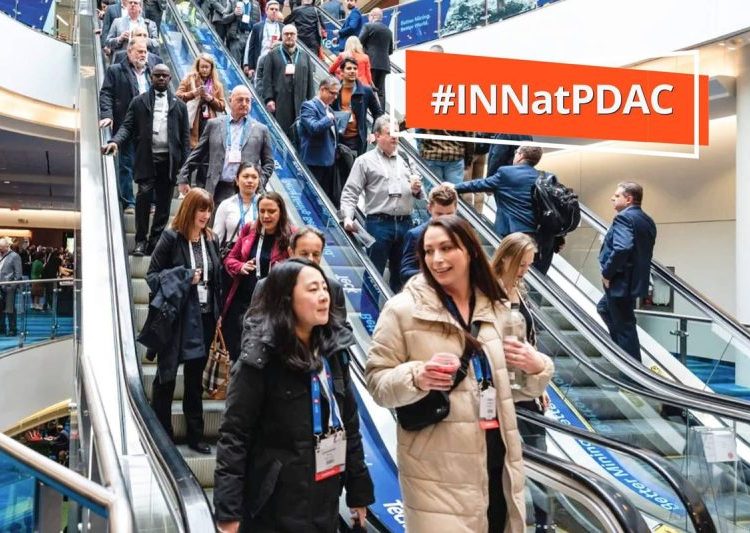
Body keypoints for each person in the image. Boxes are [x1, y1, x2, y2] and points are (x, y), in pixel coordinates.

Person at [365, 216, 553, 532]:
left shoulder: (496, 307)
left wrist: (537, 368)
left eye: (446, 248)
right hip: (437, 474)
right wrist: (417, 377)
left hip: (498, 465)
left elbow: (511, 386)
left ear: (470, 250)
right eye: (428, 251)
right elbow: (377, 382)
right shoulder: (402, 310)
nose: (436, 259)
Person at [213, 259, 374, 532]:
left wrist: (358, 490)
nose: (324, 296)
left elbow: (349, 422)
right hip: (272, 505)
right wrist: (228, 511)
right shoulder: (259, 359)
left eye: (324, 288)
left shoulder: (333, 353)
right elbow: (234, 436)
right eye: (312, 289)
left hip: (324, 497)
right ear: (287, 298)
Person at [147, 188, 223, 455]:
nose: (206, 215)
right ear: (190, 209)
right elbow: (152, 276)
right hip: (176, 317)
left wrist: (218, 314)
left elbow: (216, 280)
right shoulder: (171, 237)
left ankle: (195, 435)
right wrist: (185, 276)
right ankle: (161, 433)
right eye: (201, 209)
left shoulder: (211, 239)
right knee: (166, 376)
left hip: (204, 318)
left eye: (209, 209)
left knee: (194, 379)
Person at [490, 232, 553, 532]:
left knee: (541, 459)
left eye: (528, 264)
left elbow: (529, 341)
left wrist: (540, 381)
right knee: (504, 464)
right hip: (500, 393)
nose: (525, 270)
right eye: (521, 264)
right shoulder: (487, 294)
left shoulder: (520, 289)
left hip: (527, 390)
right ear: (505, 258)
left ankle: (544, 524)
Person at [103, 64, 191, 256]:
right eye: (157, 75)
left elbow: (185, 139)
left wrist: (185, 170)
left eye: (165, 76)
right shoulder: (139, 102)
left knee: (164, 205)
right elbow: (127, 126)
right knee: (143, 199)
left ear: (170, 79)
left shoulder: (179, 105)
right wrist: (115, 141)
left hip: (169, 162)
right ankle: (140, 240)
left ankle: (155, 241)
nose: (161, 78)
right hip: (146, 159)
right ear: (151, 77)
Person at [340, 115, 422, 293]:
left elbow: (419, 194)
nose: (395, 137)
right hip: (378, 224)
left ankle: (398, 310)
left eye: (397, 133)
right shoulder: (364, 161)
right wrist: (347, 217)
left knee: (402, 277)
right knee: (373, 275)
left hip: (405, 223)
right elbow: (350, 192)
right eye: (390, 133)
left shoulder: (406, 159)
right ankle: (368, 311)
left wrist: (417, 190)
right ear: (377, 136)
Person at [452, 145, 556, 274]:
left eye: (516, 152)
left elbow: (480, 184)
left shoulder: (506, 172)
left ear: (520, 156)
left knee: (508, 271)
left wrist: (455, 187)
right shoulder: (545, 178)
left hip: (513, 236)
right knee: (533, 275)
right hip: (542, 238)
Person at [223, 191, 294, 361]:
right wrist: (241, 266)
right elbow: (229, 259)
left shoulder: (292, 235)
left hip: (271, 305)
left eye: (271, 211)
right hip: (242, 301)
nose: (266, 216)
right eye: (262, 211)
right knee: (235, 352)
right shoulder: (250, 229)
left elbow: (299, 270)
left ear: (281, 212)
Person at [177, 85, 274, 205]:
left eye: (247, 100)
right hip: (217, 189)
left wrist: (259, 182)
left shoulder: (261, 130)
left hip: (247, 192)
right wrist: (183, 177)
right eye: (240, 100)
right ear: (230, 100)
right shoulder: (214, 125)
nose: (244, 104)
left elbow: (269, 163)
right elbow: (197, 155)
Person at [597, 182, 656, 362]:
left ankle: (630, 368)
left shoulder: (623, 218)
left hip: (620, 282)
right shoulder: (647, 220)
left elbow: (622, 248)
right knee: (604, 308)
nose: (612, 198)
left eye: (617, 196)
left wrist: (607, 273)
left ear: (629, 199)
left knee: (625, 327)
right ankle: (619, 353)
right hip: (634, 281)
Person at [249, 227, 349, 326]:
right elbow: (252, 325)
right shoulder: (266, 286)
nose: (310, 259)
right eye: (304, 254)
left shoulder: (334, 289)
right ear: (291, 252)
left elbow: (342, 328)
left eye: (315, 254)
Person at [99, 37, 151, 212]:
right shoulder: (115, 70)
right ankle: (129, 202)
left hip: (148, 127)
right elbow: (106, 94)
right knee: (126, 164)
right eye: (139, 51)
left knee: (148, 166)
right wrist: (107, 115)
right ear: (129, 52)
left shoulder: (152, 72)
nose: (143, 55)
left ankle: (149, 202)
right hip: (126, 124)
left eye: (145, 52)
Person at [261, 24, 316, 138]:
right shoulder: (272, 55)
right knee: (282, 135)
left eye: (292, 34)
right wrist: (269, 99)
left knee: (300, 135)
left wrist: (312, 101)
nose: (289, 36)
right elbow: (266, 79)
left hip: (301, 103)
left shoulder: (304, 56)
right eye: (286, 34)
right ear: (282, 36)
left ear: (296, 36)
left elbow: (310, 80)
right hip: (280, 103)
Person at [399, 183, 457, 284]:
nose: (444, 219)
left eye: (449, 214)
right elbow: (405, 273)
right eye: (439, 214)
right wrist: (435, 274)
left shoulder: (462, 234)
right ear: (429, 209)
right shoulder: (415, 235)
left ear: (456, 209)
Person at [299, 76, 340, 204]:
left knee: (324, 199)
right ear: (322, 89)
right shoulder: (308, 106)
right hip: (315, 162)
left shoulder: (329, 109)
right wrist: (328, 119)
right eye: (332, 93)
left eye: (337, 94)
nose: (335, 97)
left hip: (329, 161)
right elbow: (313, 128)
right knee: (310, 198)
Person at [331, 57, 382, 156]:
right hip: (337, 137)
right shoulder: (335, 90)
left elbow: (378, 113)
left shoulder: (366, 91)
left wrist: (374, 132)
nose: (352, 71)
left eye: (355, 68)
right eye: (349, 68)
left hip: (356, 140)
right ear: (342, 72)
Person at [176, 54, 227, 153]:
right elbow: (177, 96)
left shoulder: (217, 85)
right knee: (192, 150)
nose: (204, 70)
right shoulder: (189, 80)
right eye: (202, 67)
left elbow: (222, 106)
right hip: (192, 120)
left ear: (211, 68)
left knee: (206, 151)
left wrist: (210, 99)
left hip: (209, 121)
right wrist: (193, 93)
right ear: (198, 67)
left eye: (207, 67)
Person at [213, 163, 261, 257]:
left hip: (258, 254)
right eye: (246, 176)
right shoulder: (226, 205)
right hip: (233, 256)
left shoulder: (266, 204)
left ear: (259, 181)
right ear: (237, 180)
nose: (250, 180)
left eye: (254, 177)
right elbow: (217, 237)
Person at [358, 7, 392, 107]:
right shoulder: (388, 31)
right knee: (381, 91)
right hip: (384, 65)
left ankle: (370, 111)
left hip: (371, 62)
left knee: (369, 88)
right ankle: (380, 112)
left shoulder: (368, 26)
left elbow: (358, 42)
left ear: (372, 16)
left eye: (369, 16)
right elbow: (390, 51)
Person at [241, 0, 282, 79]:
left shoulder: (282, 27)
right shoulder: (257, 27)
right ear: (266, 10)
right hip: (260, 63)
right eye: (272, 9)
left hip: (277, 65)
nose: (274, 11)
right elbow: (251, 47)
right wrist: (250, 66)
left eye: (276, 9)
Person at [224, 0, 262, 65]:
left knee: (247, 66)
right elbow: (224, 18)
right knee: (234, 64)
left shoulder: (256, 4)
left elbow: (259, 23)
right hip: (236, 37)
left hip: (250, 37)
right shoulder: (232, 2)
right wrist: (234, 14)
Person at [0, 238, 22, 336]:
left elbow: (18, 274)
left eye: (1, 247)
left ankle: (12, 329)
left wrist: (13, 286)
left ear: (7, 246)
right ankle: (2, 328)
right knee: (0, 309)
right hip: (0, 286)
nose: (0, 249)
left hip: (9, 287)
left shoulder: (15, 256)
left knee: (10, 309)